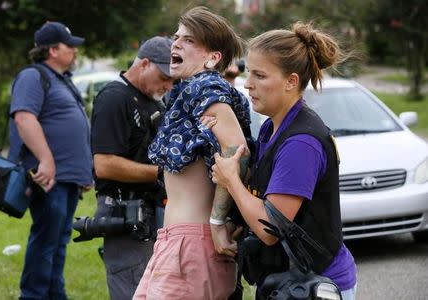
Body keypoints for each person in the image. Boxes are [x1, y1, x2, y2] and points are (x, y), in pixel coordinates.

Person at [211, 22, 357, 299]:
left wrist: (231, 181)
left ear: (291, 81)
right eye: (248, 72)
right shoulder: (272, 127)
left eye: (260, 75)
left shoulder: (301, 142)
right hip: (288, 282)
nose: (248, 83)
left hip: (316, 284)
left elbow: (271, 228)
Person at [134, 6, 252, 300]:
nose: (175, 43)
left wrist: (217, 222)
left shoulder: (205, 85)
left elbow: (238, 149)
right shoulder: (190, 91)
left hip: (192, 243)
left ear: (213, 58)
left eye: (188, 40)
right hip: (177, 241)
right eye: (176, 37)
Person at [8, 21, 93, 299]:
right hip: (48, 177)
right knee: (46, 241)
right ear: (53, 50)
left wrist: (84, 172)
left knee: (58, 243)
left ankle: (55, 294)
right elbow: (24, 118)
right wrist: (46, 160)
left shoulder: (61, 79)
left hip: (67, 178)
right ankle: (32, 295)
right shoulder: (33, 76)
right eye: (71, 46)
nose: (75, 51)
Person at [90, 36, 174, 300]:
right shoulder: (115, 98)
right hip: (125, 211)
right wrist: (163, 173)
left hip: (151, 213)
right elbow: (104, 165)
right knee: (133, 290)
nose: (168, 84)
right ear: (144, 63)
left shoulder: (152, 99)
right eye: (164, 76)